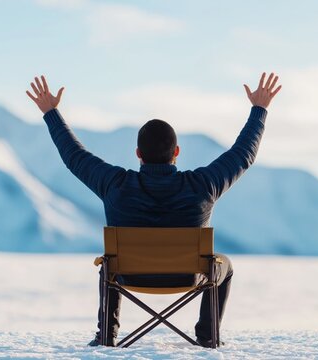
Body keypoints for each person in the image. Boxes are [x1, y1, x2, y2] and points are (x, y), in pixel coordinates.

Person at [25, 73, 281, 348]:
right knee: (224, 266)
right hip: (189, 275)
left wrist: (51, 113)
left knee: (108, 263)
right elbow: (243, 155)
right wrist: (259, 110)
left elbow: (74, 157)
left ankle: (107, 335)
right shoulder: (203, 185)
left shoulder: (115, 185)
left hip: (126, 274)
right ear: (177, 151)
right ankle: (207, 337)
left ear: (138, 153)